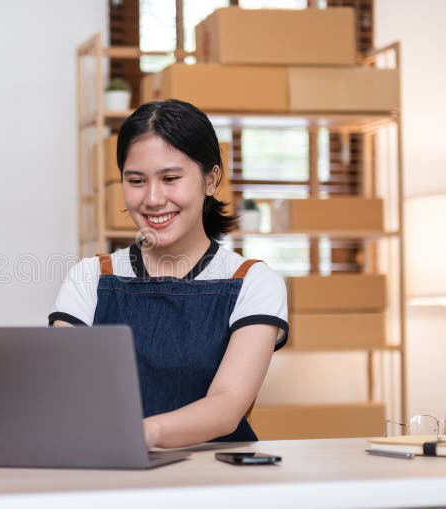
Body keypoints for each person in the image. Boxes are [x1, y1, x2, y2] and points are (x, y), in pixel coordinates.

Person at [49, 99, 288, 449]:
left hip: (215, 482)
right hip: (112, 474)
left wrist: (139, 435)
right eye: (136, 180)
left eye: (171, 178)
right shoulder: (90, 278)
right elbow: (65, 389)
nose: (153, 198)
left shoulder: (253, 282)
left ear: (211, 179)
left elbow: (226, 405)